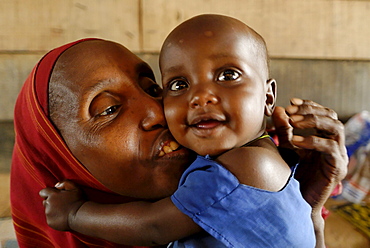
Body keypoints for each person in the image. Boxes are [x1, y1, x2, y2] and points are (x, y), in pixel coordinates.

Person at [39, 15, 347, 248]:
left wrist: (75, 215)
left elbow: (154, 225)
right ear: (56, 148)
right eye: (178, 85)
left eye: (228, 75)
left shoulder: (243, 166)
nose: (199, 97)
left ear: (268, 98)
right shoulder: (241, 163)